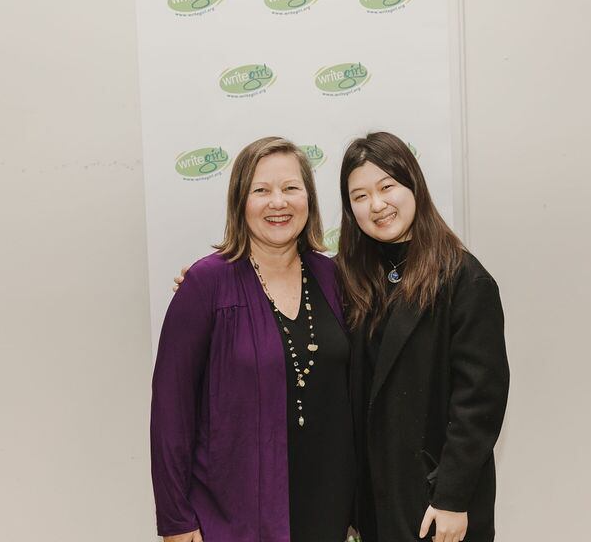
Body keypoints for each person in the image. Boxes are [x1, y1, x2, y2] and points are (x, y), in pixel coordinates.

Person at [151, 137, 355, 542]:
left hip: (327, 507)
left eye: (290, 188)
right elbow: (171, 410)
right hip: (233, 514)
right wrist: (176, 518)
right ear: (240, 201)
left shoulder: (335, 278)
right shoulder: (206, 285)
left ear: (309, 200)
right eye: (261, 190)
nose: (277, 202)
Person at [338, 132, 509, 542]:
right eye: (359, 196)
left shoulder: (464, 279)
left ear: (413, 184)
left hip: (437, 501)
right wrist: (207, 281)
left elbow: (479, 401)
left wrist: (453, 497)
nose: (376, 205)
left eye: (386, 187)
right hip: (375, 501)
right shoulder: (350, 279)